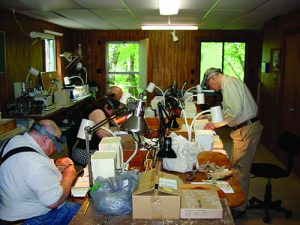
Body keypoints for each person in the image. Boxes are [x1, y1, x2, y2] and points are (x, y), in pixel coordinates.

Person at [201, 68, 263, 218]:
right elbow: (229, 111)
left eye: (209, 84)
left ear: (213, 78)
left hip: (246, 130)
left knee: (239, 169)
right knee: (238, 167)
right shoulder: (230, 83)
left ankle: (239, 207)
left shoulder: (228, 84)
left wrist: (215, 124)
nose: (211, 88)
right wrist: (210, 117)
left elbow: (234, 113)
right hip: (245, 128)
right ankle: (240, 203)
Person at [0, 120, 80, 225]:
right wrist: (69, 175)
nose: (56, 149)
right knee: (88, 213)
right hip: (33, 219)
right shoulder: (35, 164)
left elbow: (24, 168)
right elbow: (54, 201)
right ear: (46, 139)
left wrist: (54, 162)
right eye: (55, 144)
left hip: (9, 214)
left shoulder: (15, 140)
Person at [72, 96, 122, 166]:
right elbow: (102, 134)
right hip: (84, 152)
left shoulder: (98, 111)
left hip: (87, 150)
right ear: (106, 106)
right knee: (116, 158)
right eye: (113, 111)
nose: (113, 114)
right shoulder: (97, 112)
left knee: (118, 155)